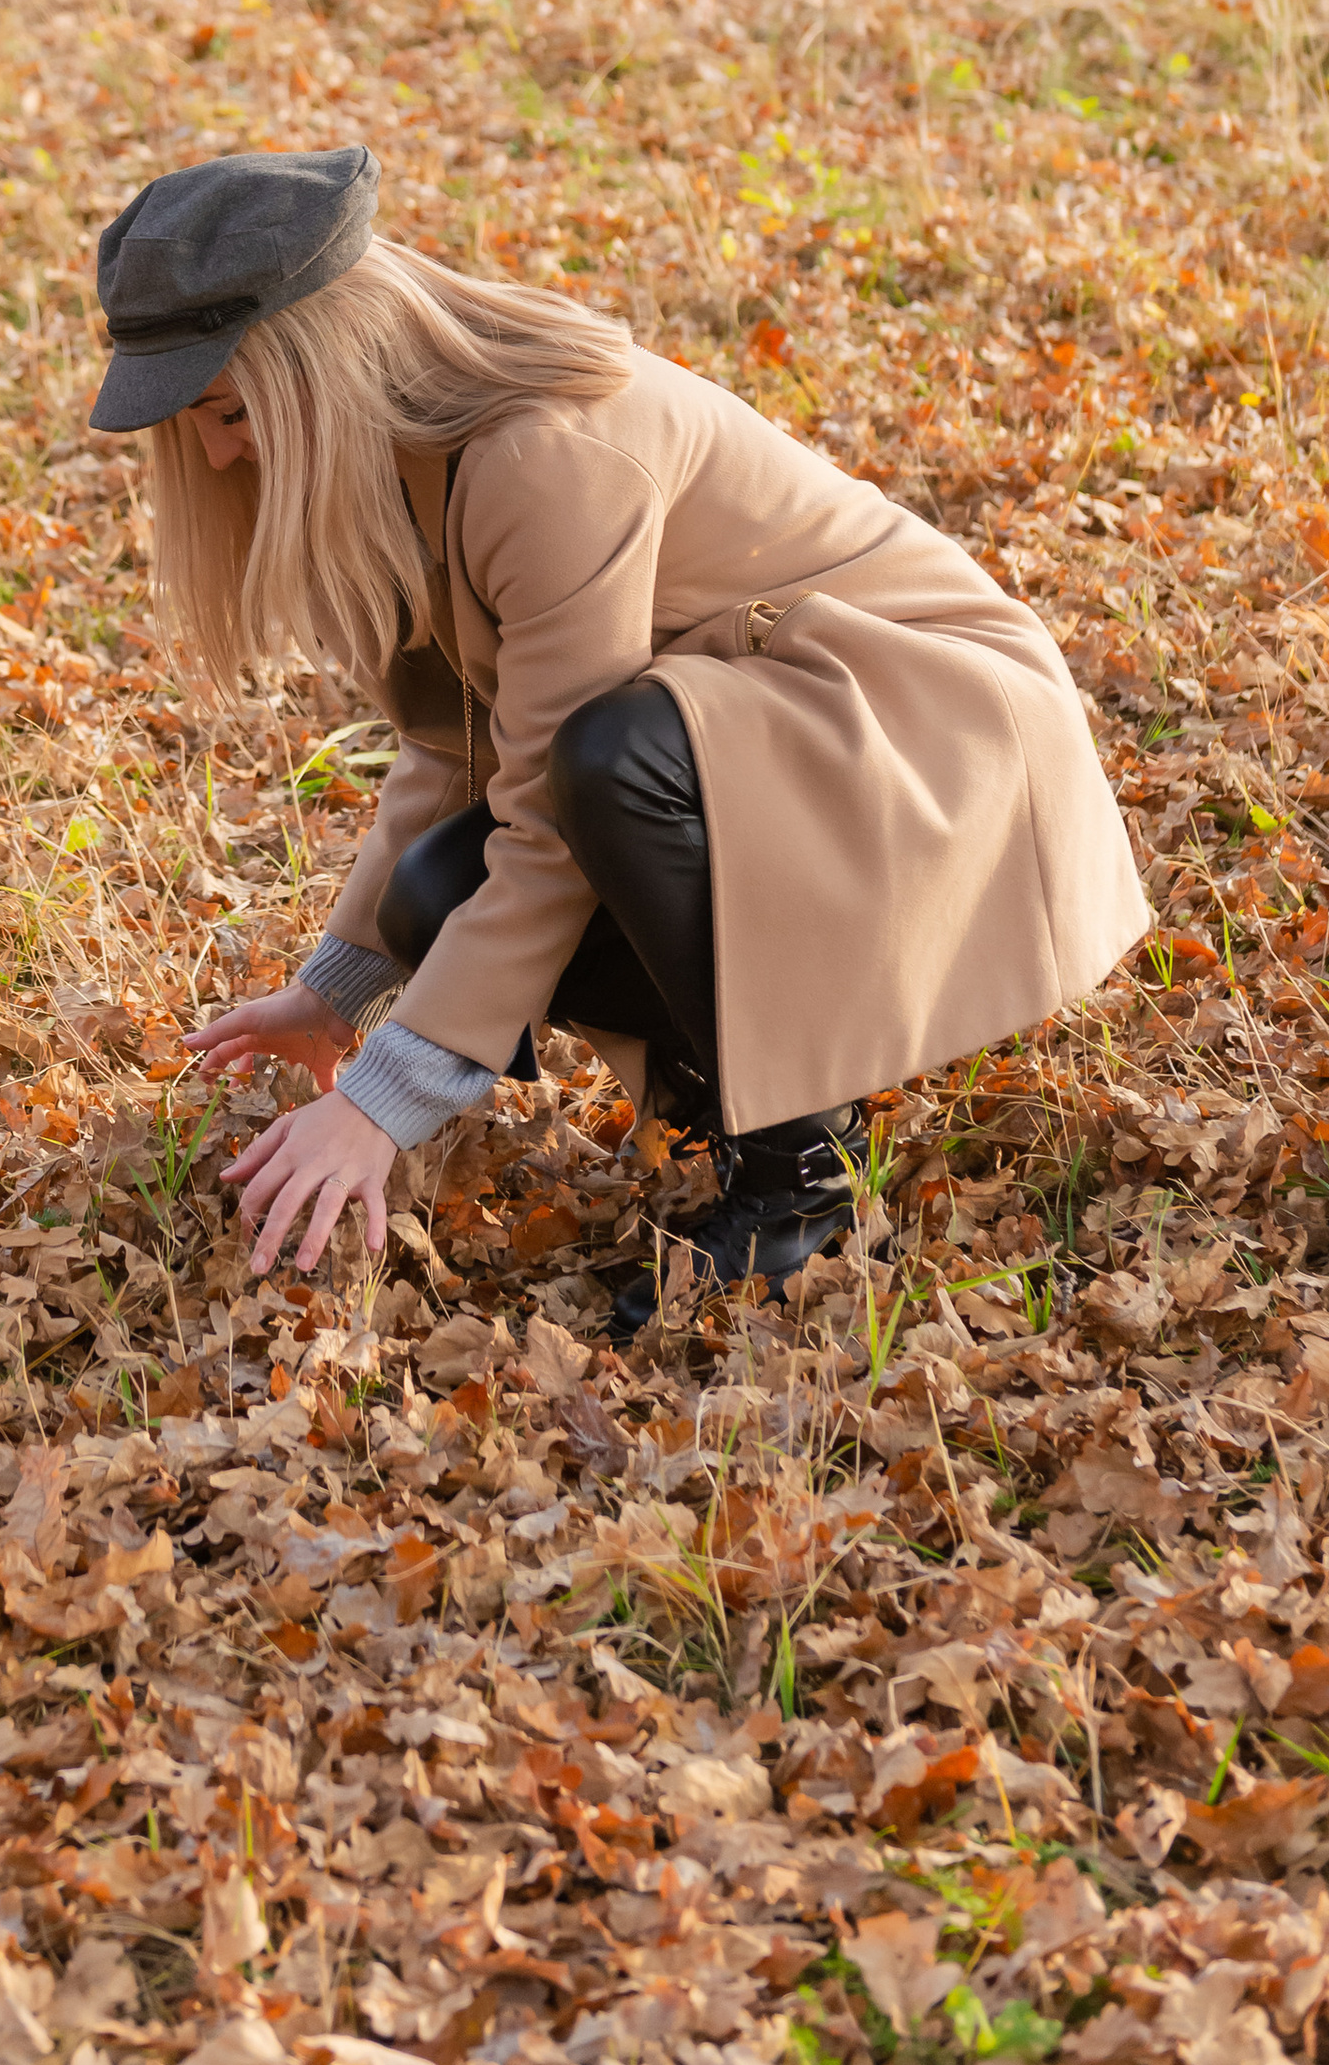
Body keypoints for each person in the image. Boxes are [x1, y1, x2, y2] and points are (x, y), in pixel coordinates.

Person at [88, 143, 1148, 1327]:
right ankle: (743, 1079)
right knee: (439, 885)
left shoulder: (540, 458)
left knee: (608, 760)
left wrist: (383, 1101)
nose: (222, 454)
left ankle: (802, 1172)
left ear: (321, 364)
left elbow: (548, 808)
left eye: (230, 412)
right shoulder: (400, 469)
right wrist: (339, 990)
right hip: (785, 749)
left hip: (933, 736)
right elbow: (459, 752)